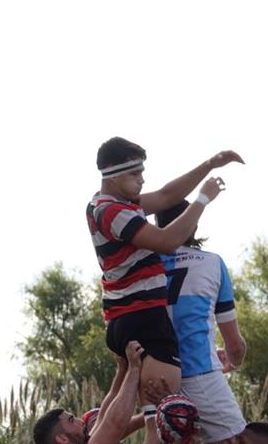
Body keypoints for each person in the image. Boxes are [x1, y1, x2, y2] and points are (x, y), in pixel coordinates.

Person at [87, 137, 245, 404]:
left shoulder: (106, 204)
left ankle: (96, 435)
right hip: (143, 315)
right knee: (163, 419)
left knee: (140, 411)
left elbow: (166, 196)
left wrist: (210, 164)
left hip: (123, 317)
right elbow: (167, 241)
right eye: (135, 173)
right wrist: (202, 200)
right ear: (112, 174)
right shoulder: (113, 211)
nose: (142, 180)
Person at [154, 199, 249, 444]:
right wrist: (233, 362)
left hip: (154, 373)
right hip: (199, 372)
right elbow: (234, 345)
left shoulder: (143, 264)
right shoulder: (212, 262)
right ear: (194, 224)